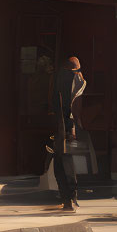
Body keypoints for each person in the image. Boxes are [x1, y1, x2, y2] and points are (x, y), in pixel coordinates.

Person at [49, 55, 85, 212]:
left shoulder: (58, 80)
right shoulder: (79, 82)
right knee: (70, 165)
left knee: (60, 166)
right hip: (71, 130)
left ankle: (67, 200)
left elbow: (57, 107)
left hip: (60, 129)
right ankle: (72, 199)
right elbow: (74, 110)